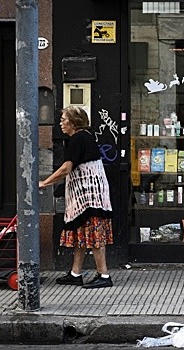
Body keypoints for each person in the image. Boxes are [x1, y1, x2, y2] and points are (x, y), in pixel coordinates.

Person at [39, 105, 114, 289]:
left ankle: (104, 275)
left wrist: (44, 183)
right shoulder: (82, 137)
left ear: (73, 122)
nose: (61, 123)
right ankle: (75, 273)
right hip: (86, 195)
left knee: (94, 235)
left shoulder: (78, 138)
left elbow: (66, 168)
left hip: (90, 196)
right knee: (81, 234)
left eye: (64, 119)